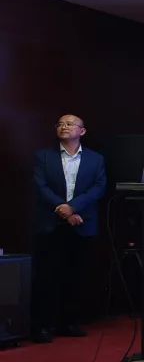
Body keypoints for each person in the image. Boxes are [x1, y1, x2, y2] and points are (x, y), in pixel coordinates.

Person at [31, 114, 107, 343]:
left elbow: (99, 187)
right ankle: (43, 326)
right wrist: (63, 210)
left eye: (70, 124)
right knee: (47, 276)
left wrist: (73, 208)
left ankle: (69, 322)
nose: (64, 126)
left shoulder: (96, 159)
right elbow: (40, 186)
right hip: (50, 223)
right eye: (60, 124)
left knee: (76, 276)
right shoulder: (43, 156)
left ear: (82, 131)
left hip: (82, 223)